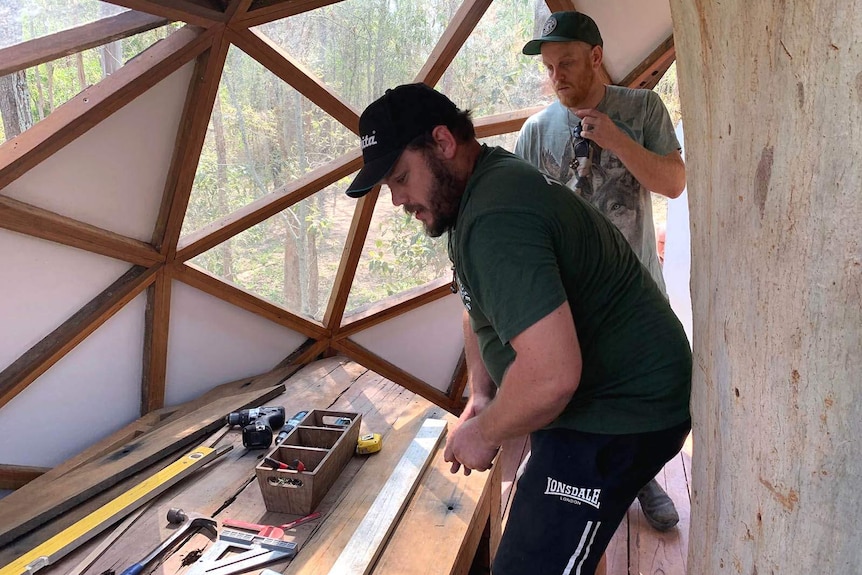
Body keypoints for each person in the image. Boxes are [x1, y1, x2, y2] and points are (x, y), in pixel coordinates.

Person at [345, 82, 691, 575]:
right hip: (592, 396)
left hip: (624, 409)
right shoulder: (480, 189)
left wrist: (485, 433)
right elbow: (475, 303)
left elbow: (551, 377)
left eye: (400, 177)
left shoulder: (496, 216)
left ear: (443, 143)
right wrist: (481, 395)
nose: (398, 199)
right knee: (557, 541)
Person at [514, 10, 687, 532]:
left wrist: (618, 141)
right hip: (573, 301)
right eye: (549, 66)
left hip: (639, 296)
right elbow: (523, 224)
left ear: (595, 56)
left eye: (566, 62)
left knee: (645, 398)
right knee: (585, 399)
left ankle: (642, 477)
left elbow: (674, 183)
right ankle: (583, 491)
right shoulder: (536, 132)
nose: (557, 75)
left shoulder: (641, 109)